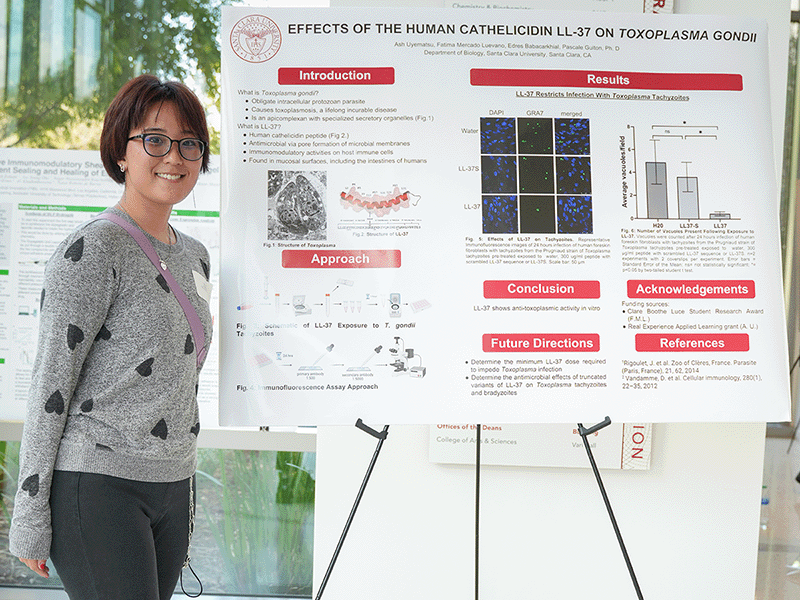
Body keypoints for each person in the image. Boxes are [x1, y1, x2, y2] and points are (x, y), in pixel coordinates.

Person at [8, 74, 214, 600]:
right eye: (155, 139)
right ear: (121, 152)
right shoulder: (92, 250)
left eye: (189, 142)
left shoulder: (194, 255)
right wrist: (29, 515)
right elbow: (49, 385)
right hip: (97, 483)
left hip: (172, 485)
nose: (174, 156)